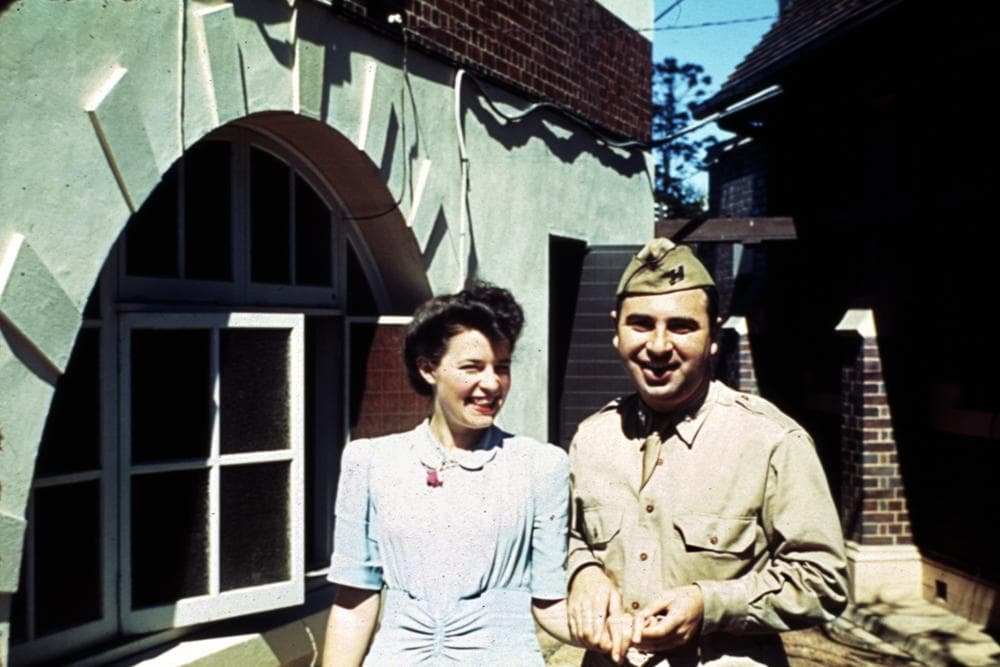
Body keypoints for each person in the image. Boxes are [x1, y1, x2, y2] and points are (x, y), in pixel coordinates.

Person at [566, 238, 849, 666]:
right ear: (616, 331)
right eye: (640, 324)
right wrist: (582, 572)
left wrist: (709, 604)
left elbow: (824, 580)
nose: (658, 346)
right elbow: (564, 538)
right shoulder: (591, 439)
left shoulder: (770, 441)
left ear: (714, 336)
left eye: (681, 327)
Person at [321, 283, 574, 666]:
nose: (491, 384)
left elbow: (551, 603)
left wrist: (625, 631)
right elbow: (354, 601)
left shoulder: (541, 466)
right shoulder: (369, 462)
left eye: (501, 368)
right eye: (472, 367)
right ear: (428, 369)